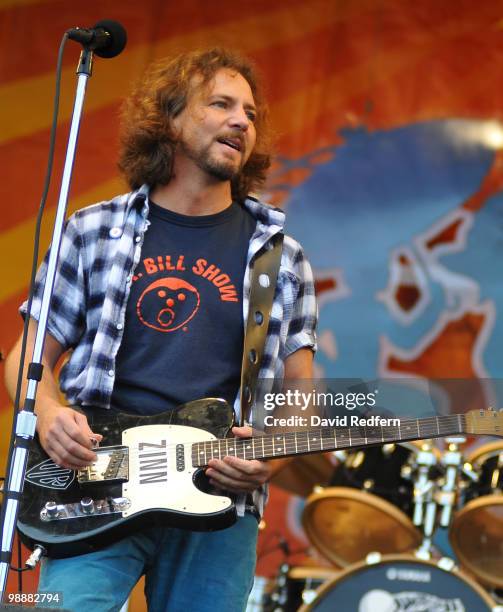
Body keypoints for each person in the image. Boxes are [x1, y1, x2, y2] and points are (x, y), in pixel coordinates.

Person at [4, 47, 317, 612]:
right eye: (221, 103)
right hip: (95, 482)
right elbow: (29, 352)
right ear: (169, 120)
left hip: (219, 499)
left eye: (250, 111)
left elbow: (300, 390)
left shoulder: (279, 256)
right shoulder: (93, 229)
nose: (242, 120)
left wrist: (271, 455)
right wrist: (48, 414)